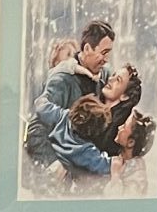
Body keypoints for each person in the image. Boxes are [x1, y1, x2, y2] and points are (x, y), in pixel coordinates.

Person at [23, 19, 114, 158]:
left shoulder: (107, 76)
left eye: (109, 53)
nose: (107, 59)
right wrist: (54, 164)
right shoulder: (62, 79)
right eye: (104, 52)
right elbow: (35, 131)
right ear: (87, 48)